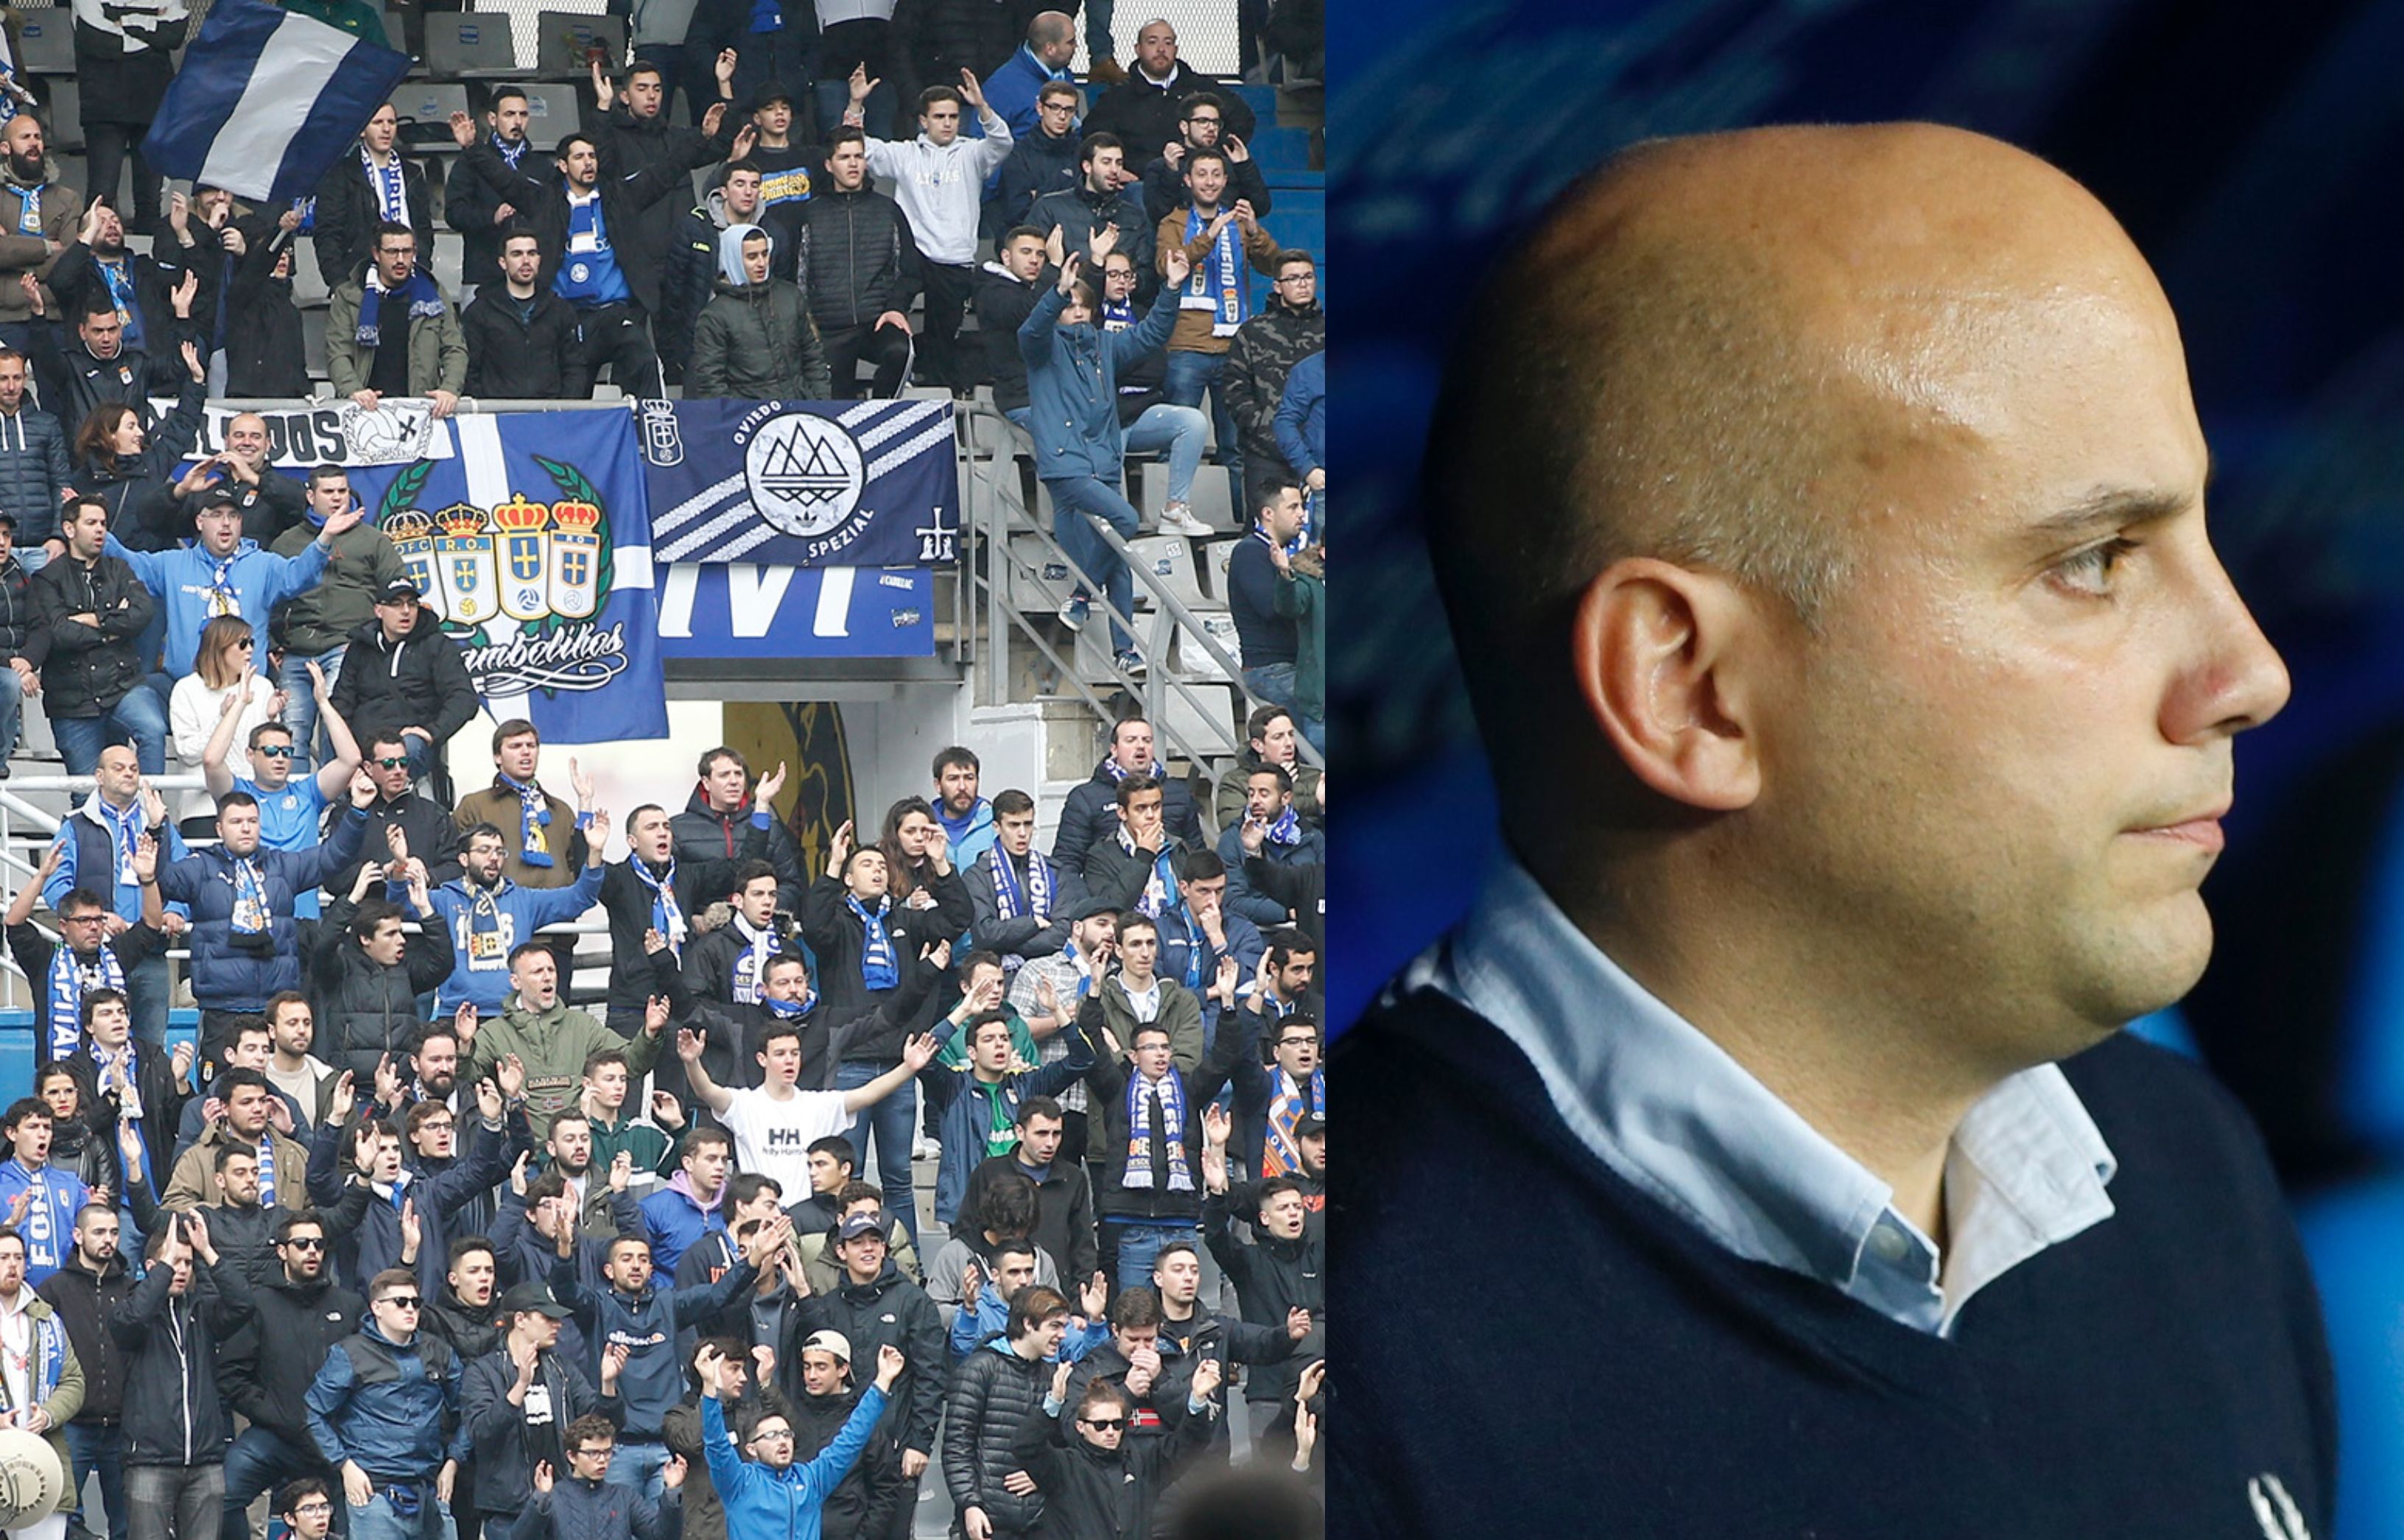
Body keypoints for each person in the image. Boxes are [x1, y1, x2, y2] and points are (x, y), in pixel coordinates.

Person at [1340, 122, 2326, 1534]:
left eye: (2194, 538)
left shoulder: (2184, 1183)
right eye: (2094, 560)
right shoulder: (1285, 1389)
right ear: (1689, 688)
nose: (2247, 671)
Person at [443, 113, 728, 398]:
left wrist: (700, 138)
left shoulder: (619, 196)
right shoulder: (544, 200)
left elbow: (665, 171)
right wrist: (472, 147)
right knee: (573, 389)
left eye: (592, 155)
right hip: (564, 316)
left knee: (643, 358)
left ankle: (650, 431)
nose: (589, 162)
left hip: (614, 313)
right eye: (579, 157)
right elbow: (504, 178)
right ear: (563, 165)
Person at [1019, 237, 1189, 673]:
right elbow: (1029, 332)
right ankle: (1079, 597)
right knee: (1127, 523)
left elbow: (1151, 335)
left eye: (1082, 306)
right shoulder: (1045, 349)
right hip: (1067, 467)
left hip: (1104, 465)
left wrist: (1171, 290)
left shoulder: (1105, 347)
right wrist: (1056, 290)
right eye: (1069, 305)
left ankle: (1125, 650)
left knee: (1115, 555)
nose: (1077, 312)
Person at [150, 777, 373, 1066]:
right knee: (220, 1096)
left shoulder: (282, 866)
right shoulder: (201, 866)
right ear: (219, 828)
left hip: (274, 1006)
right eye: (237, 821)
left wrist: (357, 811)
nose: (246, 828)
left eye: (252, 821)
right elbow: (165, 880)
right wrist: (158, 830)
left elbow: (333, 856)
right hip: (222, 1009)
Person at [549, 1222, 777, 1497]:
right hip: (617, 1447)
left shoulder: (668, 1303)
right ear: (609, 1271)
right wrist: (563, 1249)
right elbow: (565, 1292)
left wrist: (753, 1260)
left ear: (651, 1270)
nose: (636, 1265)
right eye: (627, 1259)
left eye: (643, 1259)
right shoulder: (597, 1306)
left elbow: (719, 1295)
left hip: (665, 1447)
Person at [842, 68, 1013, 395]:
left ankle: (937, 398)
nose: (948, 123)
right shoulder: (905, 154)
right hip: (913, 257)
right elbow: (857, 147)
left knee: (942, 344)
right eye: (939, 117)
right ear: (924, 121)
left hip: (955, 260)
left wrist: (981, 107)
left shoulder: (972, 153)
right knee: (890, 322)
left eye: (952, 116)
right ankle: (896, 374)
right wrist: (855, 105)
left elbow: (1002, 143)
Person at [106, 482, 362, 679]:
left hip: (246, 691)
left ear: (241, 522)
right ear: (200, 522)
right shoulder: (172, 564)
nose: (226, 523)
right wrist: (98, 532)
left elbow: (299, 576)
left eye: (233, 516)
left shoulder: (264, 564)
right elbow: (130, 563)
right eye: (216, 515)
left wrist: (325, 538)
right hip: (189, 690)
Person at [784, 1219, 941, 1535]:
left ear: (885, 1248)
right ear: (841, 1251)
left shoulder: (913, 1300)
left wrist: (920, 1442)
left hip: (896, 1451)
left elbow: (932, 1376)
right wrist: (803, 1292)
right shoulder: (828, 1305)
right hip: (842, 1458)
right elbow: (818, 1357)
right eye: (857, 1242)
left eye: (875, 1241)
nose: (868, 1248)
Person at [676, 1016, 941, 1204]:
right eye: (780, 1054)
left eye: (795, 1053)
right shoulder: (745, 1104)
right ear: (762, 1059)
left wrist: (908, 1068)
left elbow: (868, 1093)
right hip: (756, 1218)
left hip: (805, 1222)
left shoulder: (817, 1105)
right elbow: (707, 1091)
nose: (789, 1060)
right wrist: (691, 1063)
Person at [217, 1211, 365, 1540]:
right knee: (220, 1496)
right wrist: (275, 1413)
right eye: (301, 1244)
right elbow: (230, 1375)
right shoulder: (257, 1304)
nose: (312, 1251)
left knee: (360, 1510)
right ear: (282, 1251)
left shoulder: (350, 1305)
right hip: (275, 1435)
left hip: (337, 1439)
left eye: (319, 1244)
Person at [112, 1212, 255, 1540]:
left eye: (188, 1263)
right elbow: (130, 1323)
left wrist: (208, 1251)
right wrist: (164, 1267)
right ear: (152, 1267)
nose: (181, 1270)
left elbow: (243, 1304)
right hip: (150, 1461)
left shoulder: (202, 1311)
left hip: (205, 1461)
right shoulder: (129, 1309)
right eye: (174, 1262)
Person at [303, 1267, 471, 1540]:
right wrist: (345, 1466)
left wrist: (453, 1461)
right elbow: (314, 1412)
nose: (410, 1309)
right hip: (374, 1490)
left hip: (430, 1490)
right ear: (376, 1308)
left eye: (416, 1303)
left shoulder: (438, 1351)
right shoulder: (349, 1353)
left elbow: (470, 1411)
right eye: (401, 1302)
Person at [1153, 151, 1278, 515]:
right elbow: (1168, 266)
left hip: (1235, 348)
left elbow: (1274, 265)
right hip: (1186, 347)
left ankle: (1242, 524)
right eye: (1202, 174)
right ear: (1188, 181)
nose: (1209, 181)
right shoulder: (1173, 223)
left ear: (1225, 181)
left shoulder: (1240, 222)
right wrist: (1208, 237)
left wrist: (1254, 232)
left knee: (1236, 448)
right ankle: (1167, 517)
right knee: (1173, 441)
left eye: (1216, 175)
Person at [270, 468, 408, 773]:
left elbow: (398, 590)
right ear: (310, 496)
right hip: (298, 648)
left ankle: (333, 805)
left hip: (348, 644)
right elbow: (269, 596)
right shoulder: (287, 542)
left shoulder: (373, 540)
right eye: (328, 492)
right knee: (292, 731)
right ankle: (296, 809)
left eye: (342, 491)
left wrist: (374, 638)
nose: (336, 498)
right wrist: (272, 642)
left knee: (335, 719)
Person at [459, 1279, 620, 1540]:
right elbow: (481, 1433)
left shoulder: (561, 1368)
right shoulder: (483, 1371)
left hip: (562, 1506)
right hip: (508, 1511)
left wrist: (608, 1385)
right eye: (548, 1317)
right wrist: (520, 1385)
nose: (558, 1325)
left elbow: (601, 1428)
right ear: (520, 1320)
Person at [693, 1339, 901, 1540]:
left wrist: (883, 1381)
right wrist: (710, 1389)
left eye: (786, 1434)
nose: (782, 1441)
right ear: (752, 1449)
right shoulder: (738, 1482)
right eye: (771, 1436)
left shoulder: (811, 1479)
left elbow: (853, 1437)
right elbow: (716, 1443)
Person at [468, 939, 664, 1141]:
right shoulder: (494, 1032)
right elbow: (467, 1075)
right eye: (537, 972)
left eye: (551, 970)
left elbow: (631, 1064)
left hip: (579, 1151)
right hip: (523, 1157)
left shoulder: (582, 1025)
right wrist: (465, 1045)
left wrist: (649, 1033)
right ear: (516, 982)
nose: (547, 978)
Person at [1005, 1354, 1217, 1539]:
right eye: (1100, 1425)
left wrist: (1197, 1399)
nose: (1110, 1431)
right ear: (1080, 1427)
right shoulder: (1064, 1466)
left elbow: (1190, 1443)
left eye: (1117, 1424)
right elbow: (1025, 1446)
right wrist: (1052, 1404)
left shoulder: (1143, 1462)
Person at [921, 1007, 1092, 1232]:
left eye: (1004, 1038)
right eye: (989, 1039)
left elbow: (1083, 1060)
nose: (1000, 1044)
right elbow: (923, 1057)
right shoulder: (954, 1088)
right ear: (972, 1052)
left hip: (1023, 1206)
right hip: (970, 1207)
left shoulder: (1027, 1084)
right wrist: (963, 1010)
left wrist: (1058, 1012)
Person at [27, 500, 160, 774]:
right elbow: (60, 633)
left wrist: (95, 619)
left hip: (124, 686)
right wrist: (113, 629)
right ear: (69, 529)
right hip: (72, 701)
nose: (100, 530)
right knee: (85, 792)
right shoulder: (46, 578)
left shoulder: (120, 569)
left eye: (103, 524)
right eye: (91, 523)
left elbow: (143, 614)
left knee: (153, 730)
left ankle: (151, 808)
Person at [423, 826, 607, 1023]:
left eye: (499, 851)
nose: (494, 858)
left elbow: (579, 898)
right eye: (484, 850)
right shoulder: (444, 899)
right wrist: (400, 873)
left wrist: (595, 852)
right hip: (456, 1013)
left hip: (513, 1015)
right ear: (464, 859)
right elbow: (400, 905)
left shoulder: (524, 899)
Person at [8, 843, 166, 1065]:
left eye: (99, 920)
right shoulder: (44, 958)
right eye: (84, 920)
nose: (94, 927)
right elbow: (14, 922)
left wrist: (148, 879)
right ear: (63, 926)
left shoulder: (116, 954)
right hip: (62, 1077)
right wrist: (42, 876)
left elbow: (152, 924)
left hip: (114, 1074)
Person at [791, 129, 918, 401]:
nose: (853, 164)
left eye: (858, 157)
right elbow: (797, 274)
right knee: (836, 407)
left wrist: (896, 307)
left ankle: (882, 415)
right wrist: (806, 322)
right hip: (827, 328)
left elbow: (911, 269)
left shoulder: (888, 210)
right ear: (829, 165)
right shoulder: (810, 213)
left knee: (901, 352)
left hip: (877, 321)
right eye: (844, 157)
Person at [326, 579, 479, 792]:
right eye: (396, 604)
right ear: (379, 610)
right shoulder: (359, 649)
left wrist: (432, 731)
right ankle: (332, 812)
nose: (406, 611)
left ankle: (397, 804)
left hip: (410, 743)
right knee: (332, 731)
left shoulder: (437, 645)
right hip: (364, 745)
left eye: (412, 604)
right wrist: (351, 753)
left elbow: (464, 698)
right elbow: (342, 702)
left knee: (408, 749)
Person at [941, 1286, 1068, 1540]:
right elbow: (958, 1444)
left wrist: (1042, 1476)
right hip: (988, 1520)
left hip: (1039, 1521)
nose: (1062, 1335)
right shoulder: (979, 1369)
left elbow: (1064, 1448)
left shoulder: (1053, 1377)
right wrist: (970, 1504)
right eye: (1054, 1326)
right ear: (1029, 1324)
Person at [317, 868, 460, 1083]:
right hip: (353, 1086)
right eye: (391, 934)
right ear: (365, 939)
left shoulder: (406, 971)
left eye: (400, 932)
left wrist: (425, 909)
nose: (402, 940)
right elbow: (323, 945)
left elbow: (443, 962)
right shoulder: (339, 969)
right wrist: (353, 899)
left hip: (400, 1084)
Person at [38, 1203, 129, 1540]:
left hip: (122, 1424)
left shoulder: (130, 1288)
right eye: (99, 1232)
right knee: (64, 1521)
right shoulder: (53, 1289)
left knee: (125, 1524)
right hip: (73, 1425)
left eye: (115, 1232)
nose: (109, 1240)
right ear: (77, 1235)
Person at [66, 356, 208, 552]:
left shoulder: (153, 464)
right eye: (131, 426)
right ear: (109, 434)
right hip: (107, 571)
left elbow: (181, 428)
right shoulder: (81, 481)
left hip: (150, 570)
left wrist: (197, 383)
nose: (140, 433)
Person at [326, 224, 466, 420]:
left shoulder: (434, 294)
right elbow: (338, 352)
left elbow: (454, 348)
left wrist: (449, 390)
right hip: (365, 411)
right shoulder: (349, 295)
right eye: (392, 252)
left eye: (407, 251)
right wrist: (353, 390)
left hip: (422, 412)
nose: (400, 259)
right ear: (376, 253)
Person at [0, 1226, 85, 1540]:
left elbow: (74, 1381)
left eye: (19, 1257)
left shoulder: (47, 1319)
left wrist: (48, 1414)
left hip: (40, 1460)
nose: (12, 1265)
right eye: (4, 1257)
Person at [686, 223, 832, 400]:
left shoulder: (791, 296)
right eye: (752, 257)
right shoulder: (714, 315)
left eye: (765, 254)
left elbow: (813, 356)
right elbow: (711, 382)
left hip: (799, 405)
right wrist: (735, 419)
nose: (761, 263)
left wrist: (821, 402)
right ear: (733, 259)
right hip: (749, 414)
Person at [1050, 722, 1203, 886]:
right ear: (1114, 749)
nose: (1140, 746)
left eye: (1147, 740)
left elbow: (1197, 854)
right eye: (1131, 740)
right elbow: (1067, 863)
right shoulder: (1086, 797)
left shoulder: (1178, 792)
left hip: (1172, 896)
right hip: (1112, 895)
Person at [1083, 19, 1256, 161]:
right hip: (1137, 184)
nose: (1161, 49)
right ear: (1138, 49)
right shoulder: (1118, 97)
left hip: (1196, 181)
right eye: (1152, 42)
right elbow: (1093, 136)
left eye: (1168, 43)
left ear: (1176, 50)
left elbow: (1243, 119)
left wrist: (1214, 156)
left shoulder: (1203, 89)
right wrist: (1119, 168)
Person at [326, 732, 468, 903]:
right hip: (366, 918)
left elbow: (457, 867)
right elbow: (332, 877)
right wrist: (384, 871)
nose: (398, 771)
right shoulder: (346, 815)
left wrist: (427, 876)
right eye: (388, 764)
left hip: (423, 913)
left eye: (404, 763)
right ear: (368, 768)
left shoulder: (435, 814)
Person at [454, 723, 594, 896]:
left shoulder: (560, 810)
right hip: (501, 912)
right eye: (515, 746)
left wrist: (585, 804)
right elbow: (457, 862)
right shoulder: (475, 805)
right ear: (498, 757)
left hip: (558, 913)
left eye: (531, 746)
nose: (526, 752)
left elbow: (581, 866)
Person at [166, 617, 279, 829]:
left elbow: (268, 752)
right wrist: (222, 718)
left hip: (254, 807)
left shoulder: (263, 687)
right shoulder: (186, 689)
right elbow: (187, 752)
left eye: (252, 643)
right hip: (203, 809)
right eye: (243, 644)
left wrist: (272, 719)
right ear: (219, 647)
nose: (250, 651)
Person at [1221, 252, 1321, 489]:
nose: (1303, 284)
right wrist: (1265, 428)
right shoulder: (1252, 332)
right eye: (1294, 278)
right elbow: (1235, 391)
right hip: (1265, 453)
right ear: (1277, 286)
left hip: (1319, 454)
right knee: (1265, 526)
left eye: (1308, 276)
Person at [672, 748, 809, 916]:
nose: (734, 781)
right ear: (706, 783)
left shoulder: (769, 827)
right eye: (724, 775)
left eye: (739, 774)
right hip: (703, 935)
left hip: (759, 932)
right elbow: (672, 887)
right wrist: (695, 919)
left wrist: (762, 909)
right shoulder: (679, 829)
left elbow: (791, 884)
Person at [312, 105, 435, 290]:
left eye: (391, 122)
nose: (386, 129)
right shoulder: (340, 174)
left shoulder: (413, 173)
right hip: (358, 280)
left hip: (410, 278)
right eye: (378, 122)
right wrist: (338, 282)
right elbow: (328, 233)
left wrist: (422, 265)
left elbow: (424, 229)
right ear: (362, 129)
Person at [1030, 135, 1157, 308]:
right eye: (1106, 162)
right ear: (1087, 166)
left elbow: (1147, 273)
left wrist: (1132, 282)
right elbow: (1033, 265)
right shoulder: (1049, 207)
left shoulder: (1134, 216)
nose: (1114, 170)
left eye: (1119, 163)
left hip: (1121, 314)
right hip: (1067, 309)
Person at [460, 229, 589, 400]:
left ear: (539, 260)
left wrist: (563, 409)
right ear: (503, 262)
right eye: (517, 254)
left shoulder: (561, 311)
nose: (526, 261)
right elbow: (469, 370)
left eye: (532, 253)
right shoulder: (479, 312)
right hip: (497, 416)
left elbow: (574, 367)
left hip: (550, 416)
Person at [527, 1413, 683, 1540]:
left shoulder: (624, 1496)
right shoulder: (554, 1497)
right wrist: (540, 1499)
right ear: (572, 1457)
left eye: (607, 1452)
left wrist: (672, 1492)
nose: (602, 1460)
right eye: (593, 1453)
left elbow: (661, 1536)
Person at [0, 117, 82, 359]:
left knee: (57, 396)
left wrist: (12, 249)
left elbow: (70, 261)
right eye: (25, 137)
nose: (34, 143)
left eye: (37, 137)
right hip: (5, 318)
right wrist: (46, 247)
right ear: (5, 148)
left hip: (54, 316)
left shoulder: (68, 199)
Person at [444, 88, 538, 295]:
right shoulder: (469, 162)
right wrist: (491, 217)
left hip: (531, 281)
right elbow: (454, 213)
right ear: (492, 119)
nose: (517, 122)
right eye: (509, 114)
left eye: (523, 115)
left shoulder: (541, 167)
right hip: (482, 276)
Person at [1134, 92, 1269, 230]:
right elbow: (1159, 215)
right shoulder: (1160, 167)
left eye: (1216, 122)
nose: (1211, 128)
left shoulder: (1230, 165)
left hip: (1228, 242)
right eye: (1203, 121)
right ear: (1184, 127)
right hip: (1180, 244)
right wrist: (1171, 172)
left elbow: (1261, 207)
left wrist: (1244, 166)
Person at [1218, 762, 1321, 929]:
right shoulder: (1232, 839)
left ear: (1286, 798)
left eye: (1264, 794)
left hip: (1307, 937)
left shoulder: (1311, 836)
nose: (1255, 801)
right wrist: (1287, 911)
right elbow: (1232, 901)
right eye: (1251, 794)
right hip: (1257, 937)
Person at [0, 1100, 92, 1287]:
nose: (42, 1134)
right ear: (11, 1133)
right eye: (33, 1127)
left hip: (65, 1292)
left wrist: (96, 1209)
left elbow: (89, 1237)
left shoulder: (71, 1182)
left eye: (47, 1128)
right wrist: (10, 1224)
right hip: (11, 1292)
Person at [0, 352, 73, 555]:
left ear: (25, 379)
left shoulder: (47, 424)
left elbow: (62, 484)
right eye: (3, 379)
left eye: (17, 378)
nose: (11, 387)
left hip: (44, 548)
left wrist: (58, 536)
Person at [988, 84, 1081, 242]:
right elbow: (1017, 211)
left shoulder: (1082, 153)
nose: (1062, 116)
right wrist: (1066, 190)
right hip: (1029, 238)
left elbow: (1085, 204)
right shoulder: (1018, 154)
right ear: (1040, 108)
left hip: (1075, 236)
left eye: (1069, 110)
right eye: (1055, 108)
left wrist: (1039, 194)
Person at [1211, 706, 1320, 837]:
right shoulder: (1234, 782)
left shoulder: (1315, 777)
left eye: (1291, 734)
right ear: (1258, 745)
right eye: (1278, 737)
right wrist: (1283, 785)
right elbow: (1234, 828)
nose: (1289, 743)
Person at [980, 13, 1078, 139]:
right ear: (1050, 49)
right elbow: (982, 142)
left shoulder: (1065, 76)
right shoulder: (1002, 86)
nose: (1076, 46)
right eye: (1071, 42)